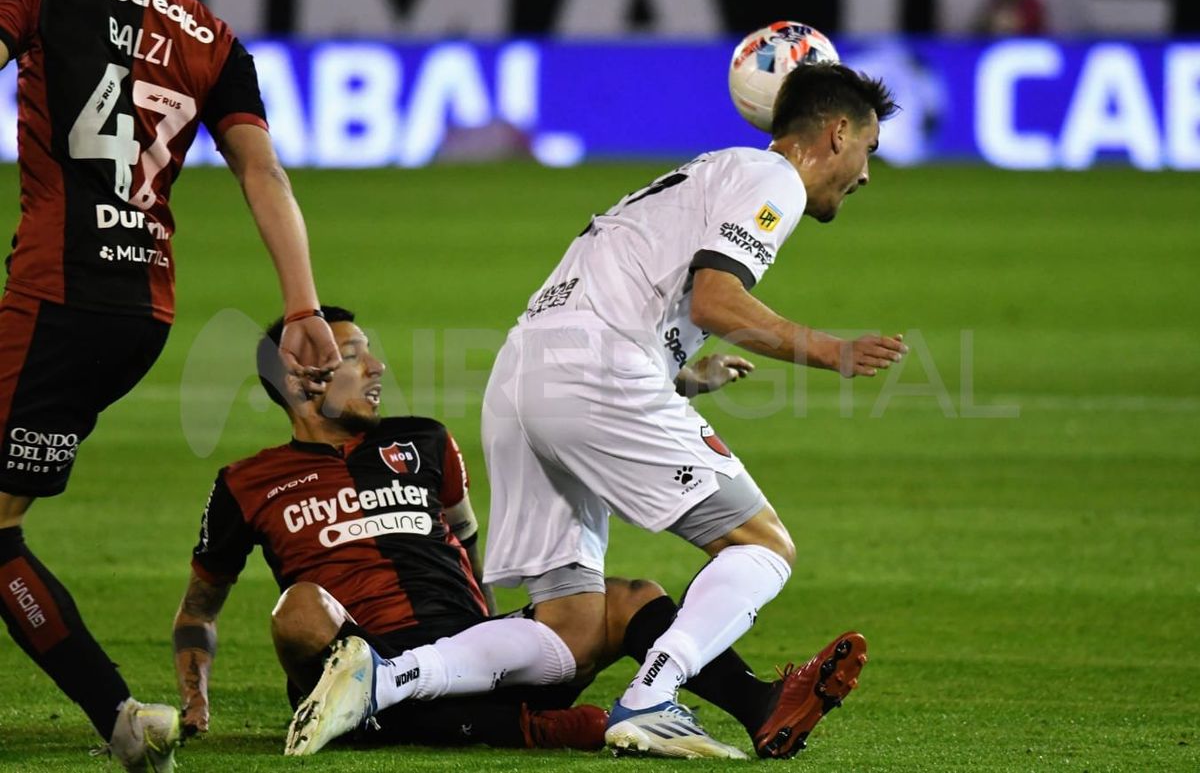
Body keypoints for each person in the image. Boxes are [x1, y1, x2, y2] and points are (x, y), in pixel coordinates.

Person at [477, 61, 903, 758]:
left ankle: (391, 681)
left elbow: (637, 288)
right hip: (596, 372)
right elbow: (715, 300)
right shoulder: (772, 180)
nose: (865, 173)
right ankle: (652, 694)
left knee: (570, 627)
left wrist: (673, 370)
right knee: (762, 546)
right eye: (870, 148)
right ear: (837, 132)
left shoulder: (706, 172)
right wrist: (833, 352)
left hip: (523, 370)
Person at [179, 307, 817, 759]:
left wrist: (668, 387)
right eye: (352, 356)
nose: (376, 366)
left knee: (627, 599)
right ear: (301, 381)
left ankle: (760, 707)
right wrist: (194, 699)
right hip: (360, 654)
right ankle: (532, 724)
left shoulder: (422, 440)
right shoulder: (246, 482)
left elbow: (477, 533)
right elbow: (199, 610)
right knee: (298, 612)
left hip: (469, 650)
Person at [0, 0, 339, 770]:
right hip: (142, 310)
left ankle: (121, 716)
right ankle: (120, 718)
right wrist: (301, 305)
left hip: (57, 290)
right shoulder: (214, 38)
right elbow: (263, 173)